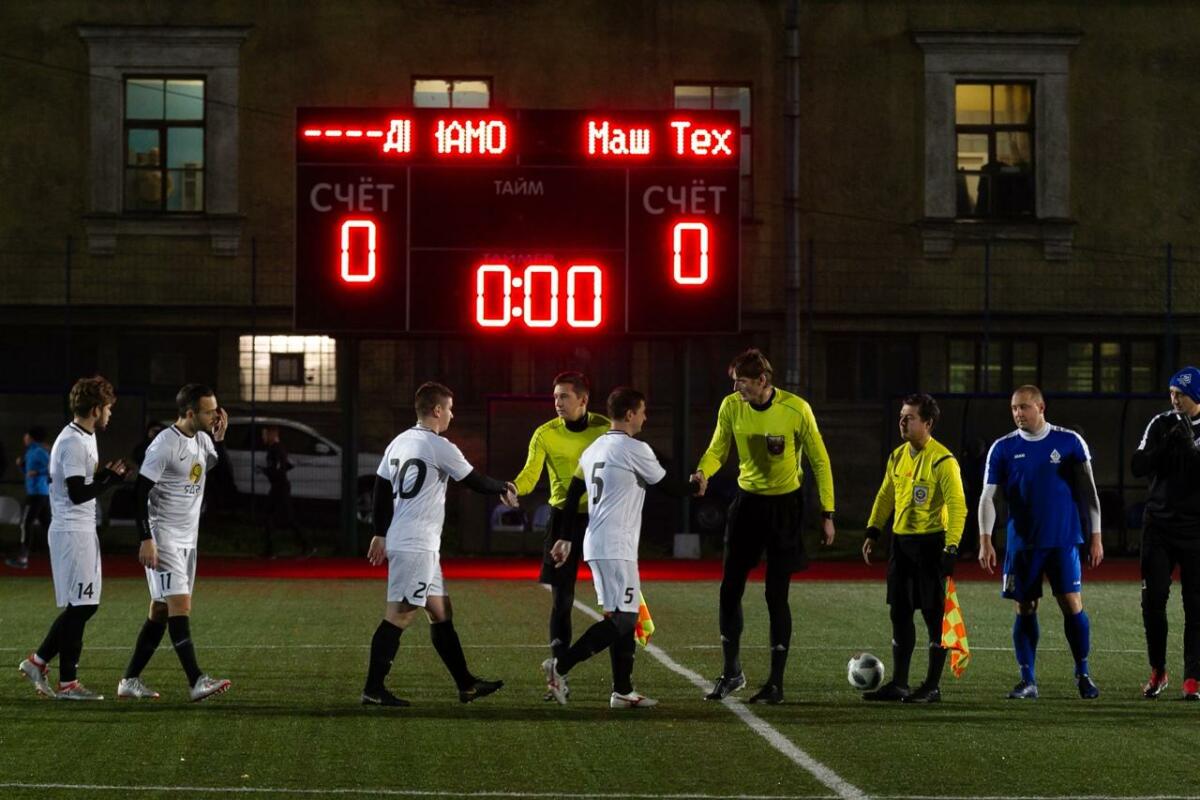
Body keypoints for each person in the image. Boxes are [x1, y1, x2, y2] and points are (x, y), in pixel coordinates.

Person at [542, 387, 702, 707]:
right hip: (614, 546)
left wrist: (566, 536)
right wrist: (695, 486)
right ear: (629, 414)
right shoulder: (635, 448)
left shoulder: (594, 448)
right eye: (642, 412)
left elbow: (572, 494)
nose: (645, 417)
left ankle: (623, 691)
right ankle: (560, 666)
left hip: (603, 543)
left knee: (622, 616)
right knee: (625, 619)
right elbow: (668, 487)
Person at [693, 348, 835, 704]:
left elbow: (820, 461)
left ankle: (775, 683)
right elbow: (718, 449)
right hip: (747, 505)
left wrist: (827, 512)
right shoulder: (731, 406)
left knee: (776, 594)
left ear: (762, 381)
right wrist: (703, 471)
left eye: (742, 382)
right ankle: (731, 672)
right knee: (729, 589)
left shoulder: (796, 409)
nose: (736, 388)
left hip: (785, 508)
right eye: (734, 381)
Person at [362, 381, 514, 707]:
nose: (452, 415)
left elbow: (380, 487)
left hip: (416, 543)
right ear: (436, 410)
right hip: (415, 545)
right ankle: (373, 690)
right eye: (449, 408)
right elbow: (472, 479)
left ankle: (466, 684)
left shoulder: (399, 441)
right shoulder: (438, 445)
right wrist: (503, 487)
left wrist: (380, 532)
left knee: (441, 612)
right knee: (399, 616)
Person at [979, 385, 1103, 700]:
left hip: (1063, 540)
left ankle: (1083, 674)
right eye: (1014, 408)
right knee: (1025, 606)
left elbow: (1089, 492)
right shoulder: (1002, 448)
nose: (1018, 413)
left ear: (1041, 407)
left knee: (1071, 604)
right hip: (1022, 544)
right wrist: (985, 539)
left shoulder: (1069, 442)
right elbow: (988, 497)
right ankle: (1028, 681)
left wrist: (1096, 535)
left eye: (1024, 407)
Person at [117, 383, 232, 702]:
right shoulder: (164, 444)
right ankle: (196, 680)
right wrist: (146, 538)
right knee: (180, 606)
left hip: (188, 540)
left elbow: (220, 476)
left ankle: (129, 680)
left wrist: (220, 441)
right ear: (190, 413)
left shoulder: (203, 440)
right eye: (210, 411)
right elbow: (139, 492)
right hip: (164, 537)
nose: (216, 416)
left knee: (160, 610)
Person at [17, 376, 129, 700]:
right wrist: (109, 481)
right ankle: (66, 682)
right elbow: (78, 493)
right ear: (95, 410)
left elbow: (79, 484)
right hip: (71, 531)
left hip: (80, 530)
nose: (110, 414)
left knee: (84, 605)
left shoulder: (84, 436)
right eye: (108, 408)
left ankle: (38, 663)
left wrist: (105, 476)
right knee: (82, 606)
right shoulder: (73, 442)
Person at [861, 393, 967, 703]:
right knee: (900, 612)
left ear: (928, 423)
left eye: (909, 417)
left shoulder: (943, 461)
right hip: (901, 545)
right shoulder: (897, 456)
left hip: (931, 545)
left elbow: (957, 506)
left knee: (934, 616)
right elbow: (886, 495)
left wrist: (951, 547)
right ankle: (900, 683)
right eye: (901, 416)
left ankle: (932, 686)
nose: (902, 422)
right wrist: (873, 530)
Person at [511, 371, 609, 696]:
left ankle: (622, 684)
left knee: (615, 602)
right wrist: (514, 487)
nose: (557, 402)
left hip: (600, 519)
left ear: (583, 399)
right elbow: (530, 475)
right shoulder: (545, 433)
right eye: (555, 396)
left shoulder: (605, 428)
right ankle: (557, 676)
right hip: (562, 521)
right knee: (562, 599)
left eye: (564, 396)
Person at [1131, 367, 1200, 701]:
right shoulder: (1160, 424)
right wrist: (1164, 446)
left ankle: (1193, 677)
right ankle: (1158, 670)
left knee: (1196, 605)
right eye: (1172, 393)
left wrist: (1190, 449)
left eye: (1181, 394)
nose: (1174, 400)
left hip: (1196, 529)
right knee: (1153, 601)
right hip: (1158, 526)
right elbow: (1137, 466)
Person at [260, 425, 312, 558]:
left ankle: (306, 545)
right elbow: (287, 464)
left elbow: (278, 469)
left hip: (280, 487)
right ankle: (271, 549)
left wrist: (266, 471)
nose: (263, 437)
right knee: (274, 516)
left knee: (280, 517)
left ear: (272, 434)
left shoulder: (276, 449)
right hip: (279, 487)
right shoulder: (278, 449)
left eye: (265, 434)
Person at [6, 426, 52, 569]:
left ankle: (23, 558)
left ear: (31, 437)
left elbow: (52, 468)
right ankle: (64, 555)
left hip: (37, 495)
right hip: (39, 494)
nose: (24, 438)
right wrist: (21, 466)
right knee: (49, 527)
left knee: (25, 524)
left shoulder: (39, 451)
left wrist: (37, 472)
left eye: (26, 435)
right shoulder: (30, 452)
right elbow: (28, 473)